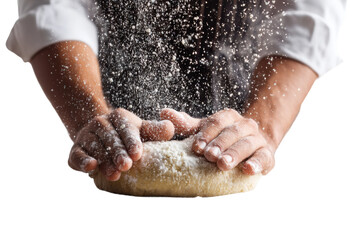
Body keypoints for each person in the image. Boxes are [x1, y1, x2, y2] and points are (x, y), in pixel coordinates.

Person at [7, 0, 346, 182]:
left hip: (245, 82)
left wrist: (261, 129)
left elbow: (311, 9)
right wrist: (94, 119)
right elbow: (57, 7)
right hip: (107, 76)